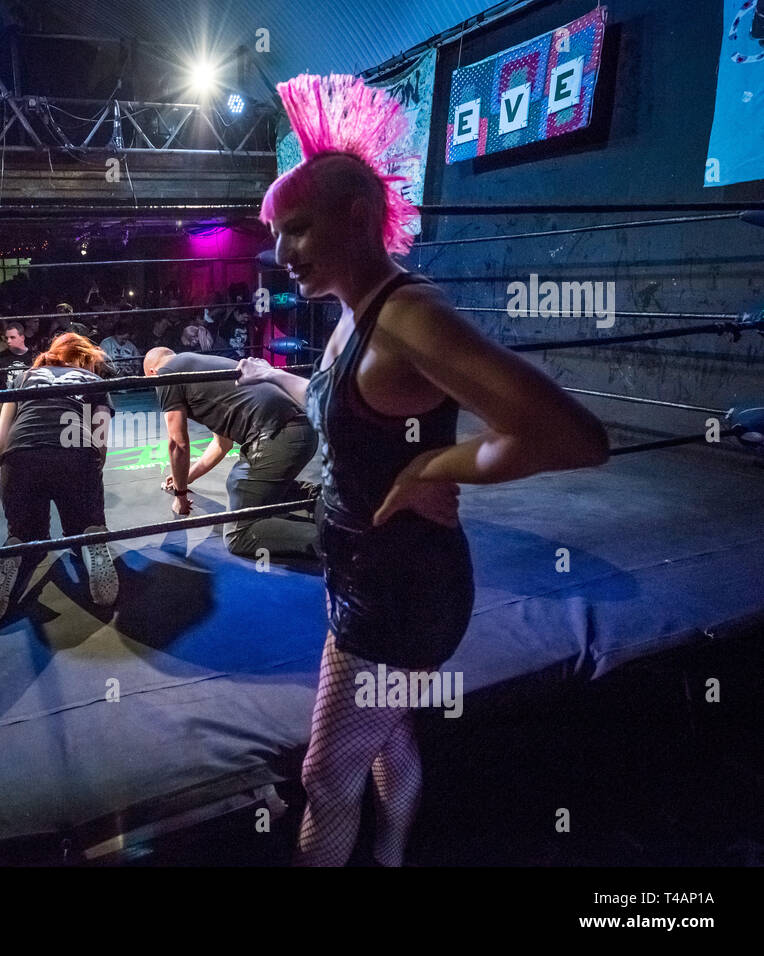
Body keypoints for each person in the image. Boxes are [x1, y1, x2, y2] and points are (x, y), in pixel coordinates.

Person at [242, 73, 610, 867]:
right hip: (368, 571)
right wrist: (272, 379)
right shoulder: (354, 316)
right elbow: (342, 410)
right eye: (277, 235)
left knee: (324, 774)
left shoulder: (409, 316)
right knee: (387, 733)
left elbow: (573, 435)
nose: (282, 253)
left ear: (359, 218)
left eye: (299, 229)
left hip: (399, 593)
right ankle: (394, 858)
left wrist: (435, 465)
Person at [0, 333, 117, 629]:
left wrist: (12, 469)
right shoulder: (92, 381)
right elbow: (100, 439)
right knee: (83, 530)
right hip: (74, 453)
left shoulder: (26, 377)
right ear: (86, 358)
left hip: (21, 453)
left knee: (28, 536)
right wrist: (91, 475)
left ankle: (16, 548)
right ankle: (91, 537)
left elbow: (2, 440)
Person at [143, 348, 318, 559]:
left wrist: (180, 496)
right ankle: (321, 500)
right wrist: (186, 478)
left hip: (276, 436)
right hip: (302, 429)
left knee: (239, 533)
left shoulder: (167, 374)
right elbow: (221, 445)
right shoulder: (199, 366)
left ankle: (335, 539)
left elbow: (177, 443)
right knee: (239, 484)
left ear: (152, 372)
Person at [0, 321, 37, 391]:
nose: (8, 341)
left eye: (12, 337)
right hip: (8, 399)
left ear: (22, 337)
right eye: (6, 338)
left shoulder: (34, 357)